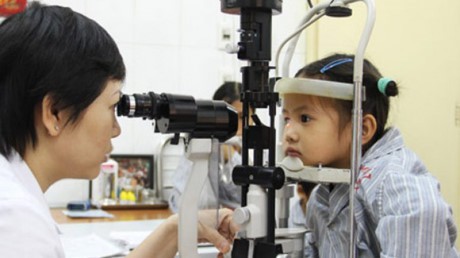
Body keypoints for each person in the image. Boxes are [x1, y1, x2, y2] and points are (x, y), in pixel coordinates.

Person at [0, 3, 236, 257]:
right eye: (113, 106)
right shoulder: (17, 222)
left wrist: (176, 230)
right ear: (54, 112)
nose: (116, 130)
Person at [281, 53, 459, 257]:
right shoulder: (322, 198)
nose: (289, 134)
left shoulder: (396, 186)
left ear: (362, 129)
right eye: (287, 118)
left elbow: (424, 219)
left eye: (305, 118)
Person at [169, 81, 252, 212]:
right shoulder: (201, 148)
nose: (235, 126)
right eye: (229, 118)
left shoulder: (257, 151)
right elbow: (188, 206)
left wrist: (231, 158)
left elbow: (247, 199)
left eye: (242, 117)